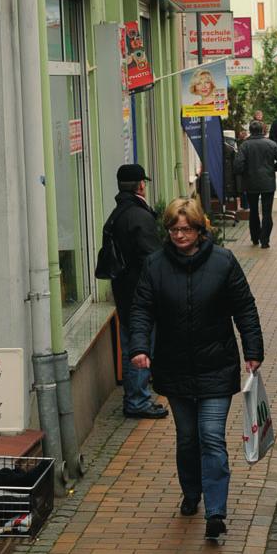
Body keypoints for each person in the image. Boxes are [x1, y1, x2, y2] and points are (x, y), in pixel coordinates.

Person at [129, 198, 263, 539]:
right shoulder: (154, 265)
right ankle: (191, 491)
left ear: (201, 230)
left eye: (186, 229)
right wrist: (140, 347)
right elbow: (142, 309)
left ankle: (216, 512)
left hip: (216, 366)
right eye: (174, 229)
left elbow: (244, 308)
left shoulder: (224, 262)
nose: (179, 235)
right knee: (187, 439)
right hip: (174, 368)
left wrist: (253, 350)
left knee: (212, 438)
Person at [108, 164, 168, 419]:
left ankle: (135, 398)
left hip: (125, 291)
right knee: (140, 347)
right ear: (140, 185)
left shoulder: (118, 213)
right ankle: (137, 401)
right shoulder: (137, 215)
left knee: (132, 345)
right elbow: (152, 258)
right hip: (138, 294)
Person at [234, 119, 277, 249]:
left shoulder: (244, 145)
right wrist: (272, 169)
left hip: (251, 183)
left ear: (250, 131)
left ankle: (254, 238)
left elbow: (237, 166)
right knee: (267, 212)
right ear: (263, 130)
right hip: (267, 183)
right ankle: (265, 241)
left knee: (253, 211)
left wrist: (246, 172)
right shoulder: (271, 144)